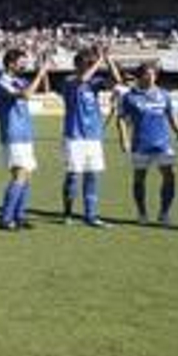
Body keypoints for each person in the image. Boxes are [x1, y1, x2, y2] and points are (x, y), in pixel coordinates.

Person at [59, 46, 123, 227]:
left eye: (90, 62)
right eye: (87, 62)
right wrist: (99, 61)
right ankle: (68, 212)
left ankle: (91, 215)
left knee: (92, 176)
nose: (89, 65)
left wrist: (108, 59)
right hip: (75, 136)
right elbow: (82, 79)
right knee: (73, 176)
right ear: (78, 64)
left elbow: (117, 81)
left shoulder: (94, 82)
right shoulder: (70, 81)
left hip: (93, 136)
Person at [116, 62, 178, 226]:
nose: (153, 77)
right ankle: (142, 213)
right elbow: (121, 119)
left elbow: (171, 113)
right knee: (139, 179)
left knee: (170, 176)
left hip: (163, 143)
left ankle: (164, 213)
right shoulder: (129, 97)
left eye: (154, 74)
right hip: (141, 144)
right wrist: (124, 139)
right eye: (149, 74)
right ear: (141, 76)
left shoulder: (163, 94)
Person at [0, 47, 50, 231]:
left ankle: (19, 216)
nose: (25, 65)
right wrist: (40, 74)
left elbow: (44, 90)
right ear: (11, 63)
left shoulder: (19, 80)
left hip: (25, 134)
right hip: (14, 134)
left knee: (26, 176)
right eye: (21, 61)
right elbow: (26, 95)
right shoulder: (3, 81)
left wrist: (43, 71)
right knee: (20, 175)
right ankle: (6, 218)